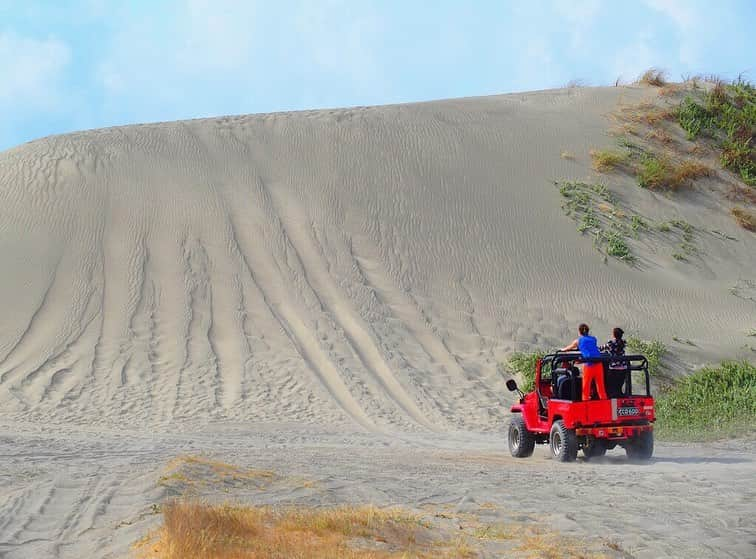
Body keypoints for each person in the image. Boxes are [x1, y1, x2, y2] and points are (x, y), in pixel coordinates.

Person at [560, 323, 607, 400]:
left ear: (579, 332)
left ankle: (585, 403)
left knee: (586, 387)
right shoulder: (593, 339)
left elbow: (569, 348)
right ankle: (604, 402)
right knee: (600, 386)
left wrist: (562, 350)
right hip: (598, 363)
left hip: (588, 364)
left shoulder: (578, 341)